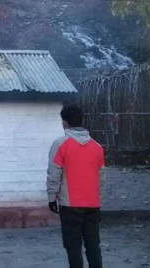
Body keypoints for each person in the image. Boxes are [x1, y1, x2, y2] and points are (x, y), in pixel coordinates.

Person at [47, 104, 105, 268]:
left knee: (73, 248)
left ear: (64, 122)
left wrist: (52, 198)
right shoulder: (97, 147)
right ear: (82, 120)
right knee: (93, 246)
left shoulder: (60, 145)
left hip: (70, 205)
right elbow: (102, 177)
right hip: (93, 205)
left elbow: (54, 175)